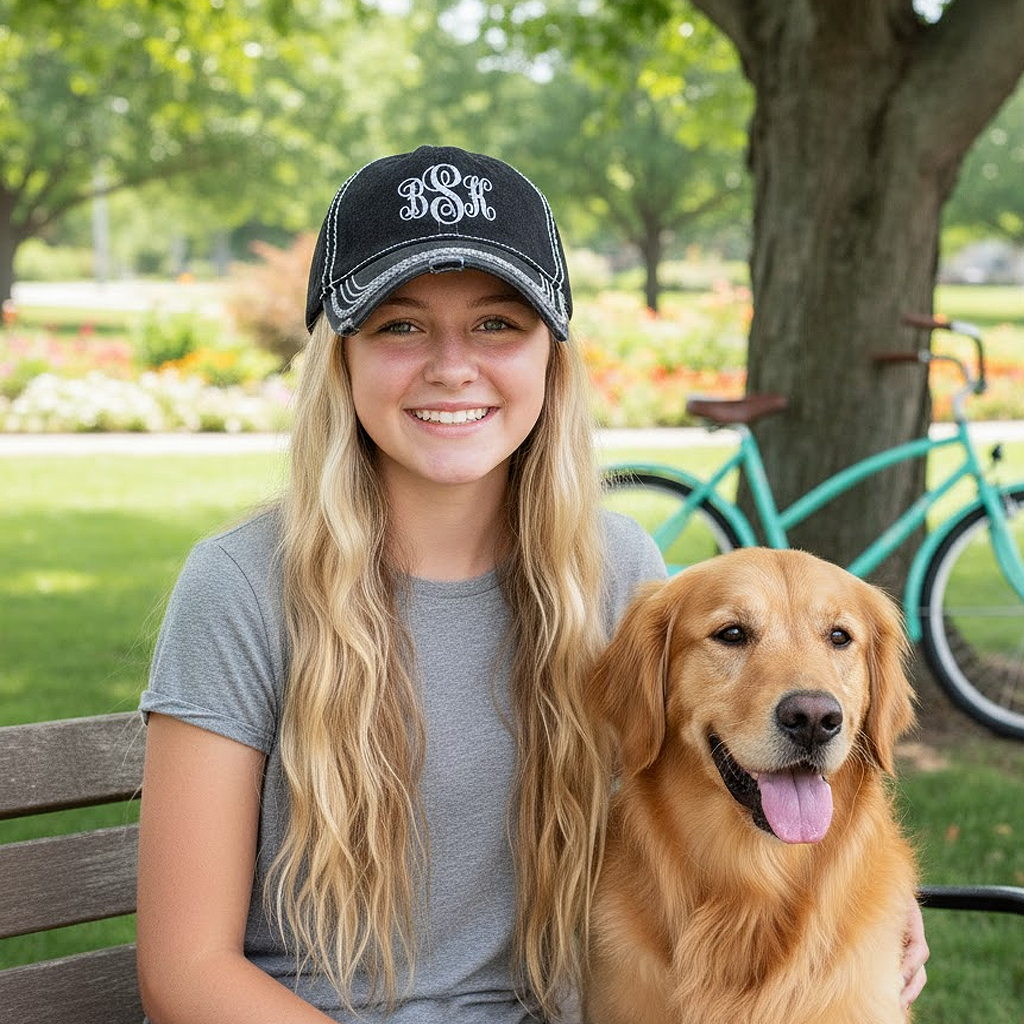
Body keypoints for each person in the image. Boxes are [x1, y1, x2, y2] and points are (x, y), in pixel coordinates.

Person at [135, 145, 927, 1024]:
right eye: (400, 325)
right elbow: (186, 970)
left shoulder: (617, 572)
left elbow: (731, 797)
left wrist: (873, 900)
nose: (450, 365)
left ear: (552, 358)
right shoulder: (242, 586)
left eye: (496, 325)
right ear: (340, 358)